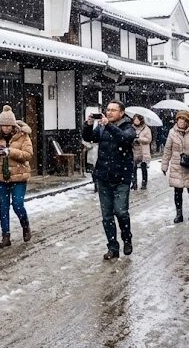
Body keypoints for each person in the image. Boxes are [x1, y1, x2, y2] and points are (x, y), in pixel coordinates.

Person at [82, 100, 136, 260]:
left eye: (113, 110)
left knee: (121, 212)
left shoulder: (129, 127)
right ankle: (112, 246)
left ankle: (127, 238)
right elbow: (90, 138)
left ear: (121, 113)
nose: (109, 112)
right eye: (108, 110)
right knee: (106, 216)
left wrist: (108, 125)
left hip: (121, 177)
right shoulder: (102, 127)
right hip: (103, 176)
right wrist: (88, 124)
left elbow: (124, 139)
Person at [0, 105, 34, 248]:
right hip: (2, 177)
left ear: (13, 125)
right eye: (2, 125)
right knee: (3, 207)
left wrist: (10, 152)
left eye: (8, 125)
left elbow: (28, 155)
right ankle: (5, 236)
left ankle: (25, 226)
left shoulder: (23, 136)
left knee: (18, 205)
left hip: (19, 177)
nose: (5, 128)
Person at [161, 110, 189, 223]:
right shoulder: (172, 132)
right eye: (179, 120)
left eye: (183, 120)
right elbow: (167, 149)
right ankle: (179, 214)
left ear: (187, 122)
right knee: (177, 191)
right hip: (177, 165)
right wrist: (164, 164)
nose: (180, 122)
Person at [130, 114, 152, 191]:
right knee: (133, 168)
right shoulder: (131, 128)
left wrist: (139, 139)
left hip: (143, 151)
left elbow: (149, 139)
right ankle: (134, 183)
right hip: (134, 150)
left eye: (137, 120)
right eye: (135, 120)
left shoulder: (146, 129)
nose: (136, 121)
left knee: (143, 167)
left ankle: (144, 183)